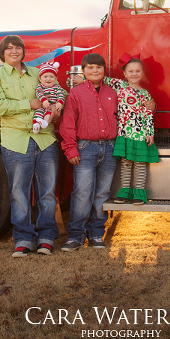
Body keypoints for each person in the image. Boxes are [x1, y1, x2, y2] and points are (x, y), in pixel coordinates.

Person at [0, 36, 62, 257]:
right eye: (9, 48)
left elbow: (59, 91)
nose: (14, 51)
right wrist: (30, 104)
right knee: (19, 192)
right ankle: (23, 239)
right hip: (16, 140)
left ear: (23, 51)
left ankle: (46, 238)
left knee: (47, 192)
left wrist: (57, 107)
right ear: (2, 53)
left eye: (18, 47)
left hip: (45, 139)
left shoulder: (37, 74)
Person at [59, 53, 118, 251]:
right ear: (83, 71)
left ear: (104, 71)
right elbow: (68, 123)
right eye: (90, 67)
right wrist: (71, 148)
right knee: (83, 192)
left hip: (109, 148)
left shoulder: (112, 93)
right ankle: (75, 237)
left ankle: (96, 235)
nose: (95, 71)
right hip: (85, 148)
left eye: (99, 67)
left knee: (102, 193)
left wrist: (149, 106)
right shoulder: (76, 93)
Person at [105, 53, 159, 205]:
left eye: (138, 71)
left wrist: (150, 133)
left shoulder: (145, 94)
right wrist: (81, 78)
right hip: (124, 133)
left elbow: (148, 114)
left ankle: (139, 194)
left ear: (142, 73)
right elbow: (101, 78)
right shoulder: (120, 86)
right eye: (131, 71)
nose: (134, 74)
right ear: (124, 74)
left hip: (141, 134)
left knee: (140, 164)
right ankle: (124, 192)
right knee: (126, 163)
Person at [33, 61, 66, 134]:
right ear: (40, 79)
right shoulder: (40, 86)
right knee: (38, 112)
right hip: (42, 105)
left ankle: (45, 123)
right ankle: (36, 125)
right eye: (45, 77)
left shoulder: (57, 87)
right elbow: (39, 93)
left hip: (51, 106)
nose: (48, 79)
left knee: (49, 113)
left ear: (56, 79)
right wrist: (44, 100)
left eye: (51, 77)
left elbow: (61, 95)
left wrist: (60, 102)